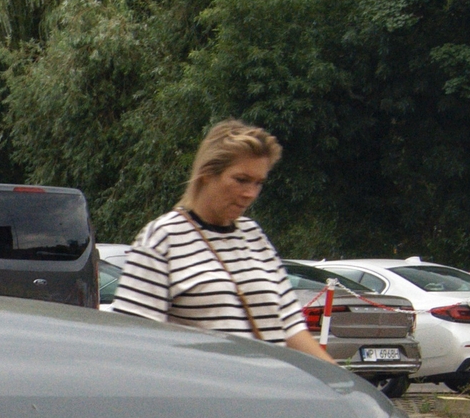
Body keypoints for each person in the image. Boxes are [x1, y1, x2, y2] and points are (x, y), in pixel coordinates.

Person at [109, 120, 335, 364]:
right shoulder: (162, 237)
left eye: (258, 183)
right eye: (241, 180)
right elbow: (134, 341)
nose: (250, 193)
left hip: (268, 391)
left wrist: (340, 383)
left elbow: (290, 325)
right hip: (205, 395)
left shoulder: (254, 235)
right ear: (206, 174)